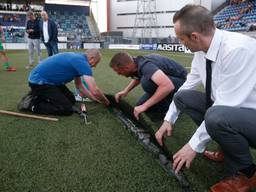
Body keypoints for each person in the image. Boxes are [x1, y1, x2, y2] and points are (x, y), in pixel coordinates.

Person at [155, 4, 256, 192]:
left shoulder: (237, 50)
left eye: (181, 39)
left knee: (216, 117)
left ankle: (247, 174)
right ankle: (227, 150)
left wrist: (193, 146)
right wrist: (168, 119)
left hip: (249, 116)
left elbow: (225, 105)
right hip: (234, 113)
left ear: (194, 36)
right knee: (184, 98)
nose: (180, 43)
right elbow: (187, 86)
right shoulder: (202, 51)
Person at [18, 49, 110, 115]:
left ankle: (39, 95)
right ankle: (31, 104)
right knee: (65, 109)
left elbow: (79, 86)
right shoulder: (82, 62)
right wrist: (105, 101)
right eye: (96, 63)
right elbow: (94, 89)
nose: (95, 66)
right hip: (39, 83)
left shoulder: (78, 59)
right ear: (92, 58)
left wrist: (94, 99)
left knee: (71, 100)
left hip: (51, 82)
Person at [110, 52, 187, 120]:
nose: (119, 74)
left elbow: (167, 86)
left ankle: (173, 106)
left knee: (147, 83)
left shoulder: (146, 65)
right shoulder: (134, 63)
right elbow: (138, 77)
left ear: (126, 68)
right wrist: (125, 91)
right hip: (169, 80)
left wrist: (145, 106)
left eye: (119, 72)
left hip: (183, 83)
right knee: (140, 104)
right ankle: (163, 101)